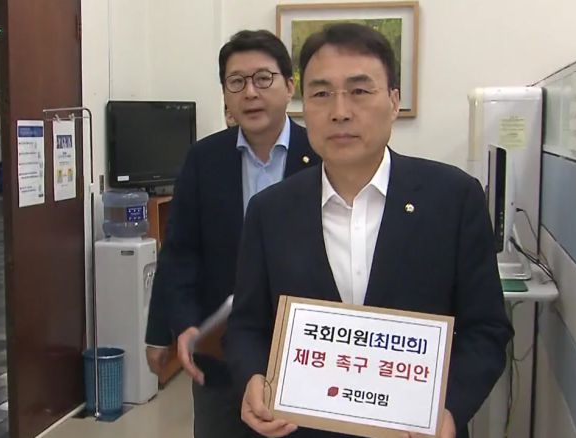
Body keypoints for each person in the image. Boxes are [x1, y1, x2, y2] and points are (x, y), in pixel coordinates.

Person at [225, 23, 513, 438]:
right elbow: (248, 326)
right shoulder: (270, 210)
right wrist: (252, 377)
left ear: (394, 101)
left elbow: (486, 328)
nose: (340, 111)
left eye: (359, 90)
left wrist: (449, 409)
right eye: (321, 94)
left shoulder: (454, 198)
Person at [145, 29, 320, 438]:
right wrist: (175, 326)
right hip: (220, 356)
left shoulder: (321, 154)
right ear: (225, 93)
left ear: (289, 86)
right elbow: (180, 252)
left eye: (263, 78)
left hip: (302, 355)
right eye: (236, 82)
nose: (250, 92)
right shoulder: (204, 158)